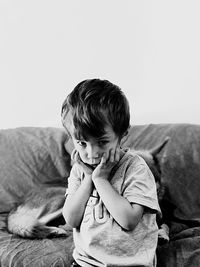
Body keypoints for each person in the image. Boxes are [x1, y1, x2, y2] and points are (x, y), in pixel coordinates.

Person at [61, 79, 160, 267]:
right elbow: (71, 219)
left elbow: (129, 221)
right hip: (86, 262)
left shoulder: (136, 168)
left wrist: (100, 180)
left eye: (102, 142)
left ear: (123, 135)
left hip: (131, 264)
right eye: (82, 143)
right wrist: (88, 178)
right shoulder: (79, 170)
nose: (91, 154)